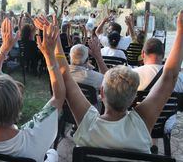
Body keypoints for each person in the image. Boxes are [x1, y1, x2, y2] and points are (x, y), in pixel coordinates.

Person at [34, 11, 183, 153]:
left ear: (101, 92)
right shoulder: (141, 124)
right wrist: (181, 31)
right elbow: (169, 77)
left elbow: (65, 75)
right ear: (133, 99)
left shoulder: (88, 123)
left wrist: (56, 42)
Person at [0, 18, 65, 162]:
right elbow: (58, 96)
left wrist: (4, 47)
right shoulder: (33, 138)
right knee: (52, 153)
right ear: (19, 106)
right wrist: (50, 55)